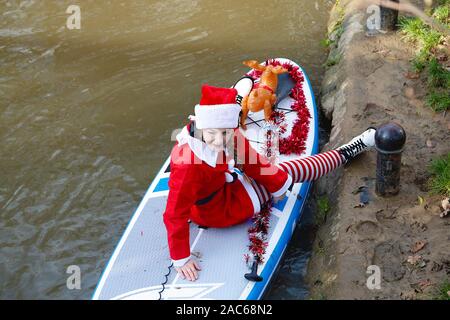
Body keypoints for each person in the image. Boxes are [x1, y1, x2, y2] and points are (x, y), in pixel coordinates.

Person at [163, 82, 376, 282]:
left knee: (281, 173)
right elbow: (173, 214)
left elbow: (254, 162)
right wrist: (181, 257)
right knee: (292, 170)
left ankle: (338, 155)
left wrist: (277, 184)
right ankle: (346, 152)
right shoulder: (186, 163)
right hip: (217, 209)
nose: (219, 141)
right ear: (201, 126)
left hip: (224, 184)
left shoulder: (226, 132)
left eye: (225, 133)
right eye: (212, 134)